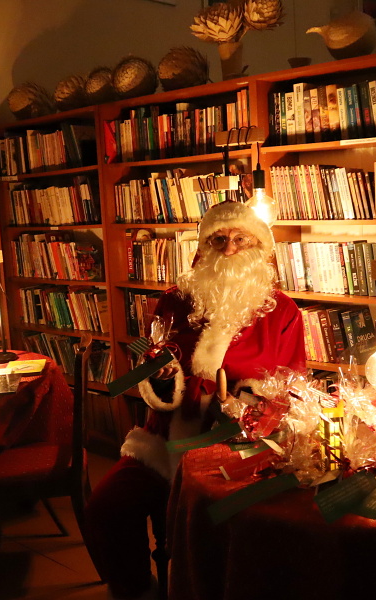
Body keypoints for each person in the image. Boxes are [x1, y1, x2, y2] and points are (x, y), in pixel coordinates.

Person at [84, 201, 307, 600]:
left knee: (237, 527)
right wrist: (160, 377)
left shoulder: (283, 312)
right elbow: (148, 365)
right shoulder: (174, 300)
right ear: (203, 247)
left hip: (242, 448)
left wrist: (248, 407)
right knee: (106, 507)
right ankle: (138, 590)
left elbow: (293, 388)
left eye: (241, 239)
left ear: (261, 247)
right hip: (164, 442)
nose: (229, 249)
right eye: (218, 239)